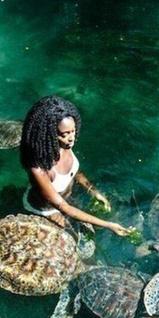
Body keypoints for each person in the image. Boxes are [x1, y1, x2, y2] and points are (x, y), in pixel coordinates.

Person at [20, 95, 132, 236]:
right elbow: (64, 208)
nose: (72, 137)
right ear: (49, 135)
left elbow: (75, 172)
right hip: (47, 211)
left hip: (65, 200)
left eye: (73, 131)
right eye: (65, 134)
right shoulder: (39, 170)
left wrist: (92, 191)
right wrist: (108, 225)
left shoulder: (64, 145)